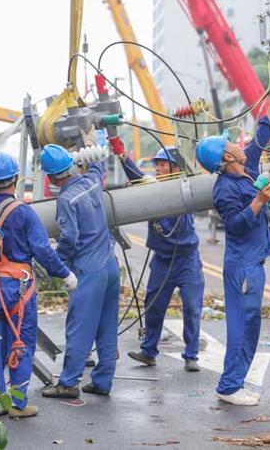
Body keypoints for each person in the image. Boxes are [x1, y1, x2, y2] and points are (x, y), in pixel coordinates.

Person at [0, 152, 77, 418]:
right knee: (21, 343)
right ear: (15, 178)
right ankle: (18, 404)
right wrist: (65, 275)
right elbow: (43, 251)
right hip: (19, 291)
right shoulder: (25, 214)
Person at [195, 80, 270, 406]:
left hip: (253, 263)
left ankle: (236, 382)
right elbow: (235, 224)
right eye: (229, 143)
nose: (235, 143)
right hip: (242, 266)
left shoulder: (247, 164)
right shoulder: (224, 190)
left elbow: (262, 132)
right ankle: (229, 386)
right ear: (225, 156)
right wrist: (259, 201)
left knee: (252, 326)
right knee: (241, 328)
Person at [40, 133, 121, 399]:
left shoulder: (65, 200)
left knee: (80, 328)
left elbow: (70, 238)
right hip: (109, 265)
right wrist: (90, 142)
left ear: (50, 177)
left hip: (89, 270)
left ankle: (68, 383)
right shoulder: (91, 181)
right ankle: (103, 380)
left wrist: (58, 263)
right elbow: (97, 164)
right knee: (107, 326)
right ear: (71, 165)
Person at [120, 147, 205, 372]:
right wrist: (119, 149)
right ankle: (148, 352)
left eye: (163, 164)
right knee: (154, 305)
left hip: (187, 259)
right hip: (162, 259)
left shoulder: (184, 186)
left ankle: (191, 355)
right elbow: (135, 174)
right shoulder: (151, 188)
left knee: (192, 306)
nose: (158, 168)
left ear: (175, 168)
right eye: (156, 164)